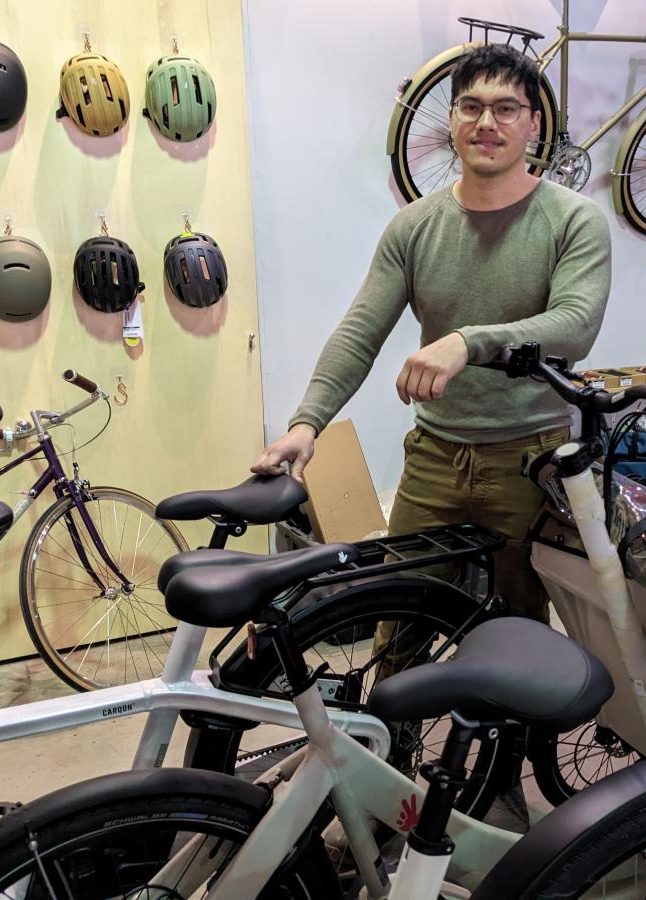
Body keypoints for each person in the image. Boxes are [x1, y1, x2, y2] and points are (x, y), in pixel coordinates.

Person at [252, 43, 611, 629]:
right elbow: (360, 331)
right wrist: (305, 423)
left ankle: (508, 727)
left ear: (534, 123)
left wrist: (468, 340)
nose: (487, 123)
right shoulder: (416, 226)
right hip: (434, 459)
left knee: (518, 631)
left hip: (529, 459)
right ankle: (395, 726)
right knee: (400, 626)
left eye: (506, 108)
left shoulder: (573, 220)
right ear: (451, 120)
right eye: (470, 107)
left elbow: (576, 326)